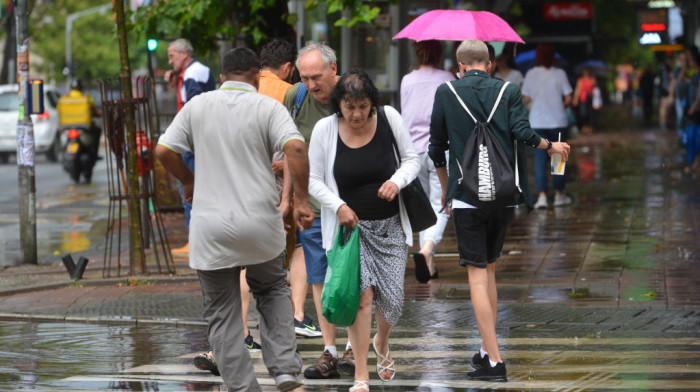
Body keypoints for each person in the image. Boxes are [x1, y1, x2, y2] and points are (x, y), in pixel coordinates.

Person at [155, 47, 314, 391]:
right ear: (257, 77)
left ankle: (244, 386)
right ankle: (285, 370)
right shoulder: (268, 106)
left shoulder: (198, 106)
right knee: (272, 290)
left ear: (222, 77)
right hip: (261, 223)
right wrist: (300, 201)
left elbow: (163, 150)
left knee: (222, 311)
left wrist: (188, 180)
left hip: (210, 228)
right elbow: (297, 149)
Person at [429, 39, 570, 382]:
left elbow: (437, 148)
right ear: (489, 64)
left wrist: (448, 188)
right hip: (505, 196)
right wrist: (552, 145)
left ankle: (494, 361)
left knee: (476, 276)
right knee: (489, 271)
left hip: (467, 197)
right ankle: (484, 349)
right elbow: (523, 134)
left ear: (460, 66)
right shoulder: (508, 90)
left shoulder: (446, 92)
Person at [308, 68, 420, 392]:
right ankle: (361, 375)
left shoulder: (389, 118)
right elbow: (314, 180)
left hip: (391, 229)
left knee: (393, 302)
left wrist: (396, 181)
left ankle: (381, 341)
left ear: (372, 102)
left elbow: (412, 160)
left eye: (362, 106)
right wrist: (338, 206)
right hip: (351, 232)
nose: (356, 114)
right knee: (362, 301)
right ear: (338, 105)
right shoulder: (325, 129)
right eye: (349, 107)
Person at [281, 41, 354, 378]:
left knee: (352, 277)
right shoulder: (294, 99)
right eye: (305, 78)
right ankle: (329, 351)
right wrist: (288, 201)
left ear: (333, 68)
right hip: (311, 207)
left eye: (317, 77)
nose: (311, 85)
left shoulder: (355, 94)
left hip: (350, 207)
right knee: (319, 277)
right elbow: (290, 154)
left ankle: (355, 348)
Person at [400, 40, 455, 282]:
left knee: (425, 207)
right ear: (440, 53)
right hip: (442, 149)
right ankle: (427, 250)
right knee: (442, 203)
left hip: (413, 151)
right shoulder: (448, 77)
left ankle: (429, 264)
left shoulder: (406, 80)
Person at [164, 38, 216, 256]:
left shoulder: (192, 74)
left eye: (172, 56)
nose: (170, 61)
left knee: (189, 188)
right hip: (201, 141)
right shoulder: (197, 71)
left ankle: (194, 241)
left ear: (184, 53)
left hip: (194, 142)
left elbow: (194, 106)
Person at [521, 43, 573, 209]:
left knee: (539, 159)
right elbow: (569, 98)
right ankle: (559, 195)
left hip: (537, 123)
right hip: (558, 122)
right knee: (558, 157)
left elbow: (526, 98)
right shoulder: (560, 73)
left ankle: (542, 197)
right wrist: (559, 106)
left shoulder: (530, 74)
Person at [56, 78, 102, 183]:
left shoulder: (63, 99)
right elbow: (94, 111)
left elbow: (59, 112)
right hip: (83, 129)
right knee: (97, 130)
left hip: (67, 129)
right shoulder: (86, 99)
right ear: (81, 88)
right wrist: (98, 114)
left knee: (60, 139)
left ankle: (61, 152)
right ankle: (94, 155)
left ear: (71, 88)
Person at [684, 47, 700, 172]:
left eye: (690, 60)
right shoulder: (694, 75)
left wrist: (693, 108)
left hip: (696, 111)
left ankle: (695, 162)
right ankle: (694, 162)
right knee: (692, 137)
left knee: (694, 138)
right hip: (694, 111)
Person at [572, 67, 597, 135]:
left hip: (591, 99)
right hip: (583, 99)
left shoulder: (592, 79)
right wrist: (575, 99)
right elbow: (578, 89)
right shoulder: (580, 80)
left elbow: (596, 89)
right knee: (583, 113)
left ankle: (590, 127)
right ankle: (584, 126)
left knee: (591, 114)